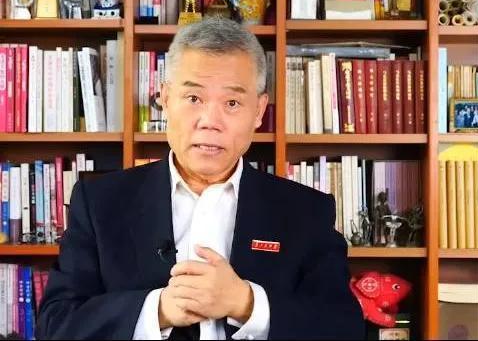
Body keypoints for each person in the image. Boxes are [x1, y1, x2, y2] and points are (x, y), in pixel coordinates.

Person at [36, 17, 364, 340]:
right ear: (166, 99)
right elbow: (56, 325)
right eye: (193, 99)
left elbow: (343, 328)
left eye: (232, 103)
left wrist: (246, 304)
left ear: (259, 111)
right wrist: (157, 310)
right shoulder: (100, 203)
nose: (210, 121)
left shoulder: (306, 212)